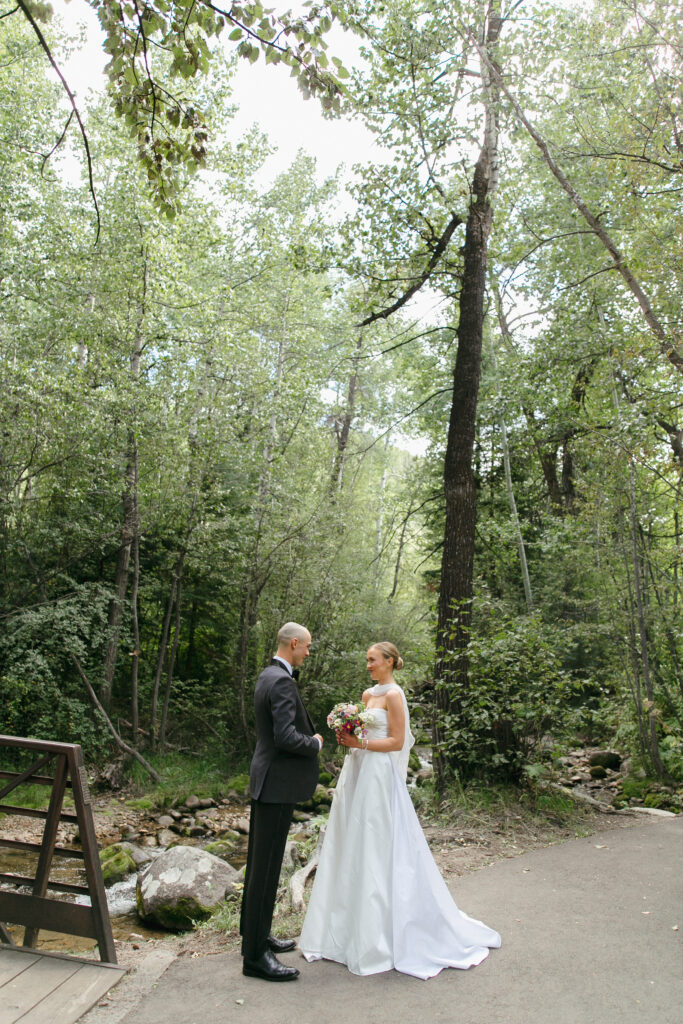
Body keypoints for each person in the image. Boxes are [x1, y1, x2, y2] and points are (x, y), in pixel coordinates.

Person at [299, 641, 501, 980]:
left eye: (373, 660)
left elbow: (396, 741)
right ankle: (345, 928)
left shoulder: (394, 695)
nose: (368, 665)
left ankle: (380, 933)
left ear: (390, 662)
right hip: (359, 770)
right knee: (352, 841)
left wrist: (360, 742)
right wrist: (348, 733)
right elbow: (364, 733)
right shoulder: (366, 695)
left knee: (377, 843)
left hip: (379, 775)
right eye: (366, 660)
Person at [240, 622, 323, 982]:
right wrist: (316, 743)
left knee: (261, 866)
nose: (307, 652)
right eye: (306, 647)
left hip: (265, 781)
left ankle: (255, 936)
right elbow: (286, 736)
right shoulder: (283, 681)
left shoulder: (266, 675)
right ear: (293, 643)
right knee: (266, 868)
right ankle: (255, 958)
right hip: (276, 787)